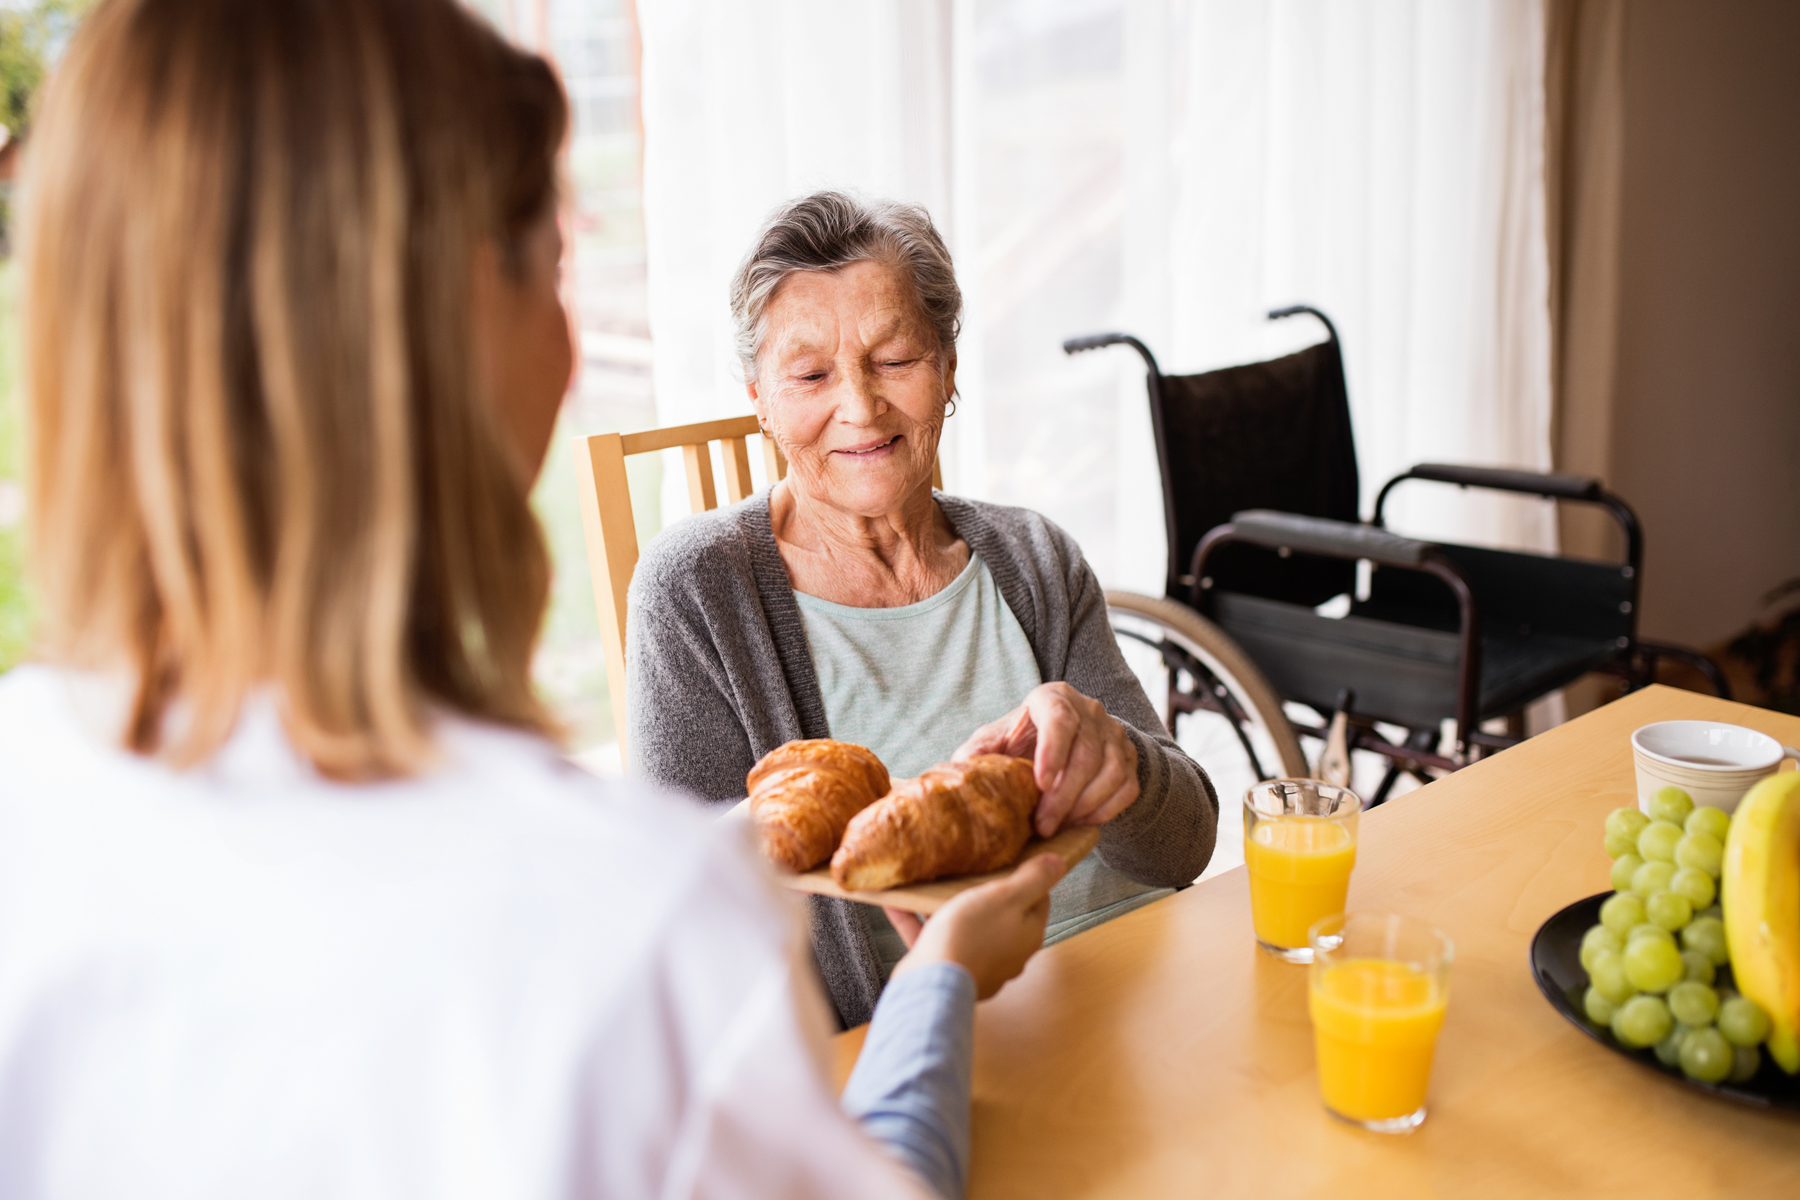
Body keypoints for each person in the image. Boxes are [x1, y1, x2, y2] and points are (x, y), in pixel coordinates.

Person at [0, 2, 1057, 1196]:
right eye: (549, 264)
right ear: (437, 335)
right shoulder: (625, 930)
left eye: (896, 359)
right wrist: (936, 988)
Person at [628, 192, 1218, 1030]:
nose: (860, 406)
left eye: (895, 358)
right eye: (810, 375)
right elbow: (675, 925)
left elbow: (1184, 845)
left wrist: (1120, 760)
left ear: (946, 367)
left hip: (1138, 1004)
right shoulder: (699, 590)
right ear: (759, 395)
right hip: (927, 1053)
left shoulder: (1033, 557)